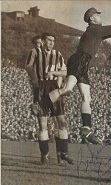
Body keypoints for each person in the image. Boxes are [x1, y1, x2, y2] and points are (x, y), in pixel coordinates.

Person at [31, 7, 111, 143]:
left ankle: (86, 128)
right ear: (92, 19)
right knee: (67, 89)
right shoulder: (94, 29)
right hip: (79, 60)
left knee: (87, 97)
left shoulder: (96, 31)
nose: (100, 17)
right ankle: (40, 104)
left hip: (83, 63)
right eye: (97, 15)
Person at [26, 32, 74, 165]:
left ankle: (63, 154)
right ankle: (45, 155)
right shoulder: (35, 52)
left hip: (54, 87)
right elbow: (28, 66)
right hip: (40, 87)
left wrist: (55, 73)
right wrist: (35, 80)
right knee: (43, 124)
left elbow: (65, 72)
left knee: (62, 121)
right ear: (43, 40)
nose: (51, 42)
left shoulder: (58, 55)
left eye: (53, 40)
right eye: (49, 40)